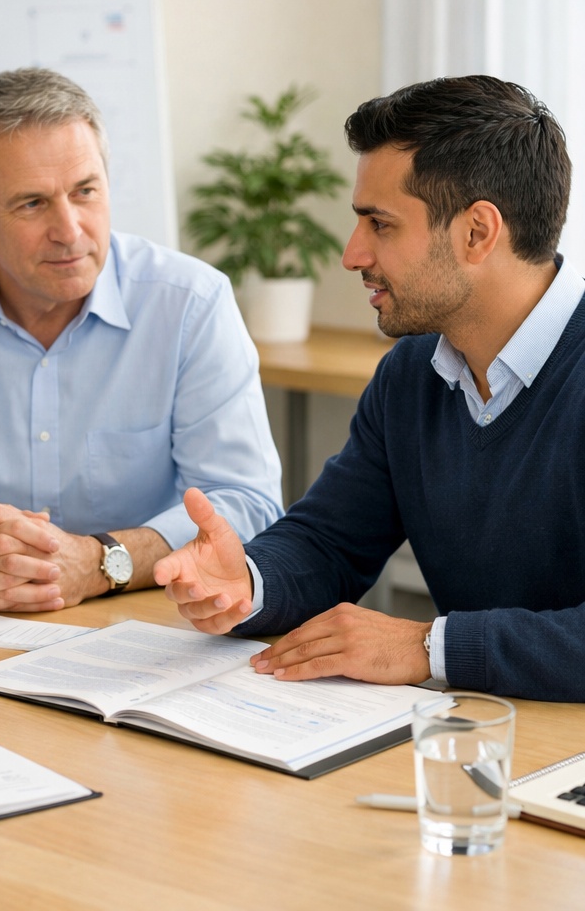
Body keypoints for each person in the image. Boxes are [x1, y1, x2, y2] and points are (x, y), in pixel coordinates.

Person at [155, 74, 585, 702]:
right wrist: (247, 581)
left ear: (477, 233)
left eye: (380, 224)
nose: (352, 254)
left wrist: (426, 647)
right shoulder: (414, 372)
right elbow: (331, 541)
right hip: (479, 733)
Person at [0, 67, 282, 613]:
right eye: (32, 203)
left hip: (145, 622)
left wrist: (101, 561)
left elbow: (245, 501)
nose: (69, 229)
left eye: (86, 192)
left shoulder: (191, 302)